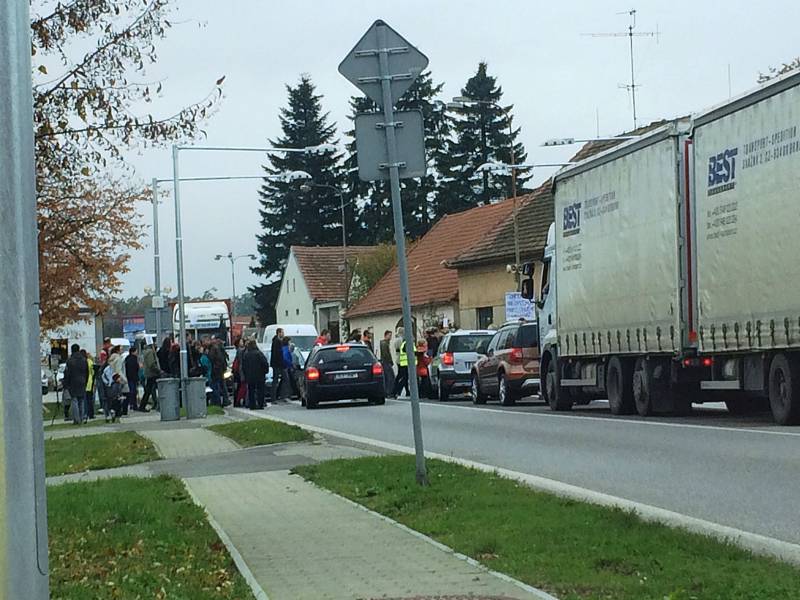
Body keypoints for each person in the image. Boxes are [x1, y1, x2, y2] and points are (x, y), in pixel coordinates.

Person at [62, 344, 88, 425]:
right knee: (81, 400)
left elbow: (67, 373)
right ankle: (82, 417)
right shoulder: (84, 360)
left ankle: (77, 419)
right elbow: (87, 372)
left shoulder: (70, 361)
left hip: (73, 382)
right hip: (82, 381)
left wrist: (65, 383)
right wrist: (85, 381)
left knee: (74, 400)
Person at [242, 339, 269, 409]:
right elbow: (265, 363)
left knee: (251, 390)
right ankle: (260, 404)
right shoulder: (259, 354)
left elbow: (244, 366)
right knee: (260, 390)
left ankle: (252, 405)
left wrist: (246, 374)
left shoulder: (246, 355)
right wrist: (265, 371)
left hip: (250, 376)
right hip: (260, 375)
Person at [139, 342, 160, 411]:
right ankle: (145, 405)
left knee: (149, 390)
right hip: (152, 373)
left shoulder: (145, 352)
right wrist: (158, 370)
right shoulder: (150, 352)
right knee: (151, 389)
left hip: (148, 373)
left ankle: (143, 405)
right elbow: (151, 364)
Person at [208, 339, 229, 406]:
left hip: (216, 371)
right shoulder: (220, 350)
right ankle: (225, 400)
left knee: (216, 386)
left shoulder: (214, 349)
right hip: (221, 370)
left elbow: (212, 359)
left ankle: (217, 401)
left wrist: (215, 368)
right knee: (222, 385)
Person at [270, 328, 285, 403]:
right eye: (282, 332)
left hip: (278, 364)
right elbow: (277, 354)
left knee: (282, 379)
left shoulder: (278, 341)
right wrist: (281, 363)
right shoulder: (277, 342)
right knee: (276, 380)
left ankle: (278, 395)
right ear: (279, 333)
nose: (283, 334)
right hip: (277, 364)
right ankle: (274, 397)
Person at [379, 330, 396, 399]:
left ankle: (388, 392)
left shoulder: (386, 343)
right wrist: (390, 361)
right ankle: (389, 392)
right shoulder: (384, 344)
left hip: (386, 362)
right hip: (386, 362)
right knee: (390, 377)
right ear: (385, 335)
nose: (390, 337)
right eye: (389, 335)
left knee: (389, 377)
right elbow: (385, 354)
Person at [123, 346, 139, 415]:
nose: (137, 352)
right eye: (136, 351)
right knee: (133, 391)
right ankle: (133, 404)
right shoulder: (134, 359)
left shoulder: (127, 359)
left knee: (131, 391)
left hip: (129, 377)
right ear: (133, 352)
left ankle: (131, 404)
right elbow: (135, 368)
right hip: (133, 377)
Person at [82, 350, 95, 421]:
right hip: (90, 381)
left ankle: (85, 413)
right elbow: (93, 372)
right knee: (90, 399)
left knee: (84, 400)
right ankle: (91, 414)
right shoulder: (90, 361)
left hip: (84, 382)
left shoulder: (82, 362)